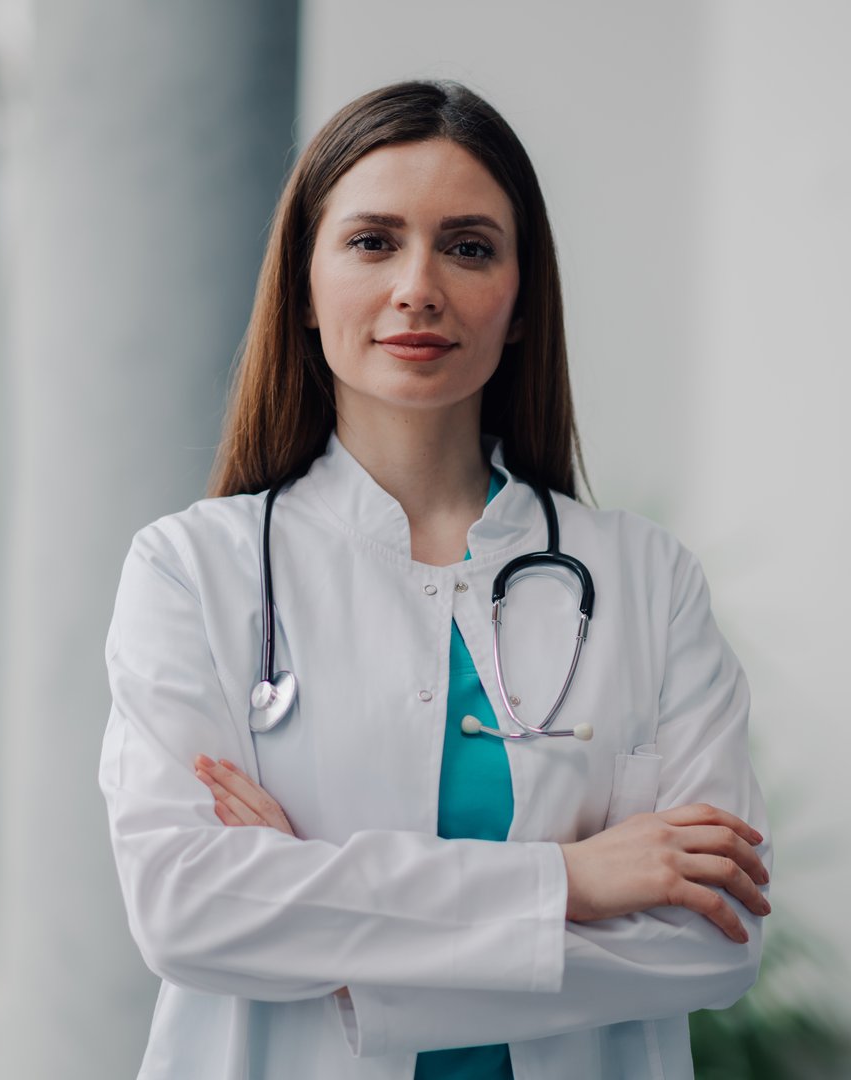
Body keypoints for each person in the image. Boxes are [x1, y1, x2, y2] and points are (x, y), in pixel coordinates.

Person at [99, 79, 773, 1080]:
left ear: (521, 300)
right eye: (374, 241)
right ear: (304, 286)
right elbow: (187, 908)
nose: (419, 286)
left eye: (468, 247)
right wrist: (572, 880)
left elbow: (713, 936)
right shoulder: (193, 571)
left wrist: (330, 942)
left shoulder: (646, 579)